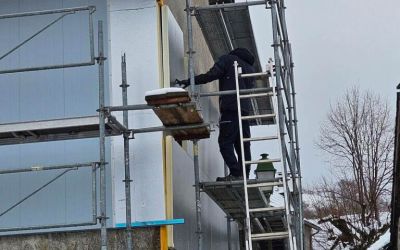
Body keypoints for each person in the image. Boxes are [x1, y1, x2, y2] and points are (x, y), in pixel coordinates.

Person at [176, 48, 255, 181]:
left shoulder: (228, 59)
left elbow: (211, 75)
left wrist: (189, 81)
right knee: (242, 144)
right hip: (244, 111)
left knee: (225, 142)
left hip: (230, 108)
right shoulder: (250, 69)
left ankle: (236, 174)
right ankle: (244, 175)